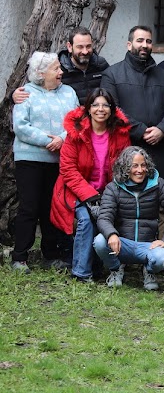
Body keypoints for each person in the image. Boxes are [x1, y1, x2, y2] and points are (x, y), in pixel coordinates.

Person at [101, 25, 164, 265]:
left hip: (161, 148)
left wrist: (162, 129)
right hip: (128, 148)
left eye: (148, 41)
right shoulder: (113, 74)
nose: (144, 45)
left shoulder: (163, 76)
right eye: (140, 40)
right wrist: (140, 130)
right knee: (125, 204)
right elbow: (112, 109)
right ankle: (123, 258)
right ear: (129, 45)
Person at [50, 90, 131, 282]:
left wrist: (109, 195)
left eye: (105, 105)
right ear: (88, 109)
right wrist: (89, 195)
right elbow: (68, 169)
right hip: (74, 191)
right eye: (95, 105)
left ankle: (102, 266)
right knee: (86, 219)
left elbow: (124, 166)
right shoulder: (76, 133)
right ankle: (81, 273)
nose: (100, 109)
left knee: (107, 218)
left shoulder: (120, 134)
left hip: (107, 192)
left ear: (112, 110)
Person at [10, 52, 79, 272]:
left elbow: (77, 121)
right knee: (29, 208)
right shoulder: (25, 94)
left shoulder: (69, 92)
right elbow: (20, 126)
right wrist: (46, 141)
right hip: (29, 160)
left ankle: (51, 255)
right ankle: (19, 257)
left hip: (59, 160)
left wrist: (61, 139)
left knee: (52, 208)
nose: (61, 72)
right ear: (41, 73)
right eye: (56, 68)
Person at [92, 147, 164, 290]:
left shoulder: (158, 184)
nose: (140, 170)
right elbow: (104, 217)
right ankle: (116, 269)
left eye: (143, 165)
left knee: (163, 258)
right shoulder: (113, 188)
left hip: (147, 245)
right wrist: (111, 234)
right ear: (125, 168)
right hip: (122, 245)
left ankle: (149, 271)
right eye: (134, 166)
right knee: (99, 241)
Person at [11, 27, 109, 107]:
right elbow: (37, 85)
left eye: (88, 46)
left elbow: (114, 85)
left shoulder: (100, 64)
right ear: (69, 47)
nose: (85, 51)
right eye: (80, 47)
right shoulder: (58, 68)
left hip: (99, 118)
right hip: (70, 121)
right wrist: (14, 94)